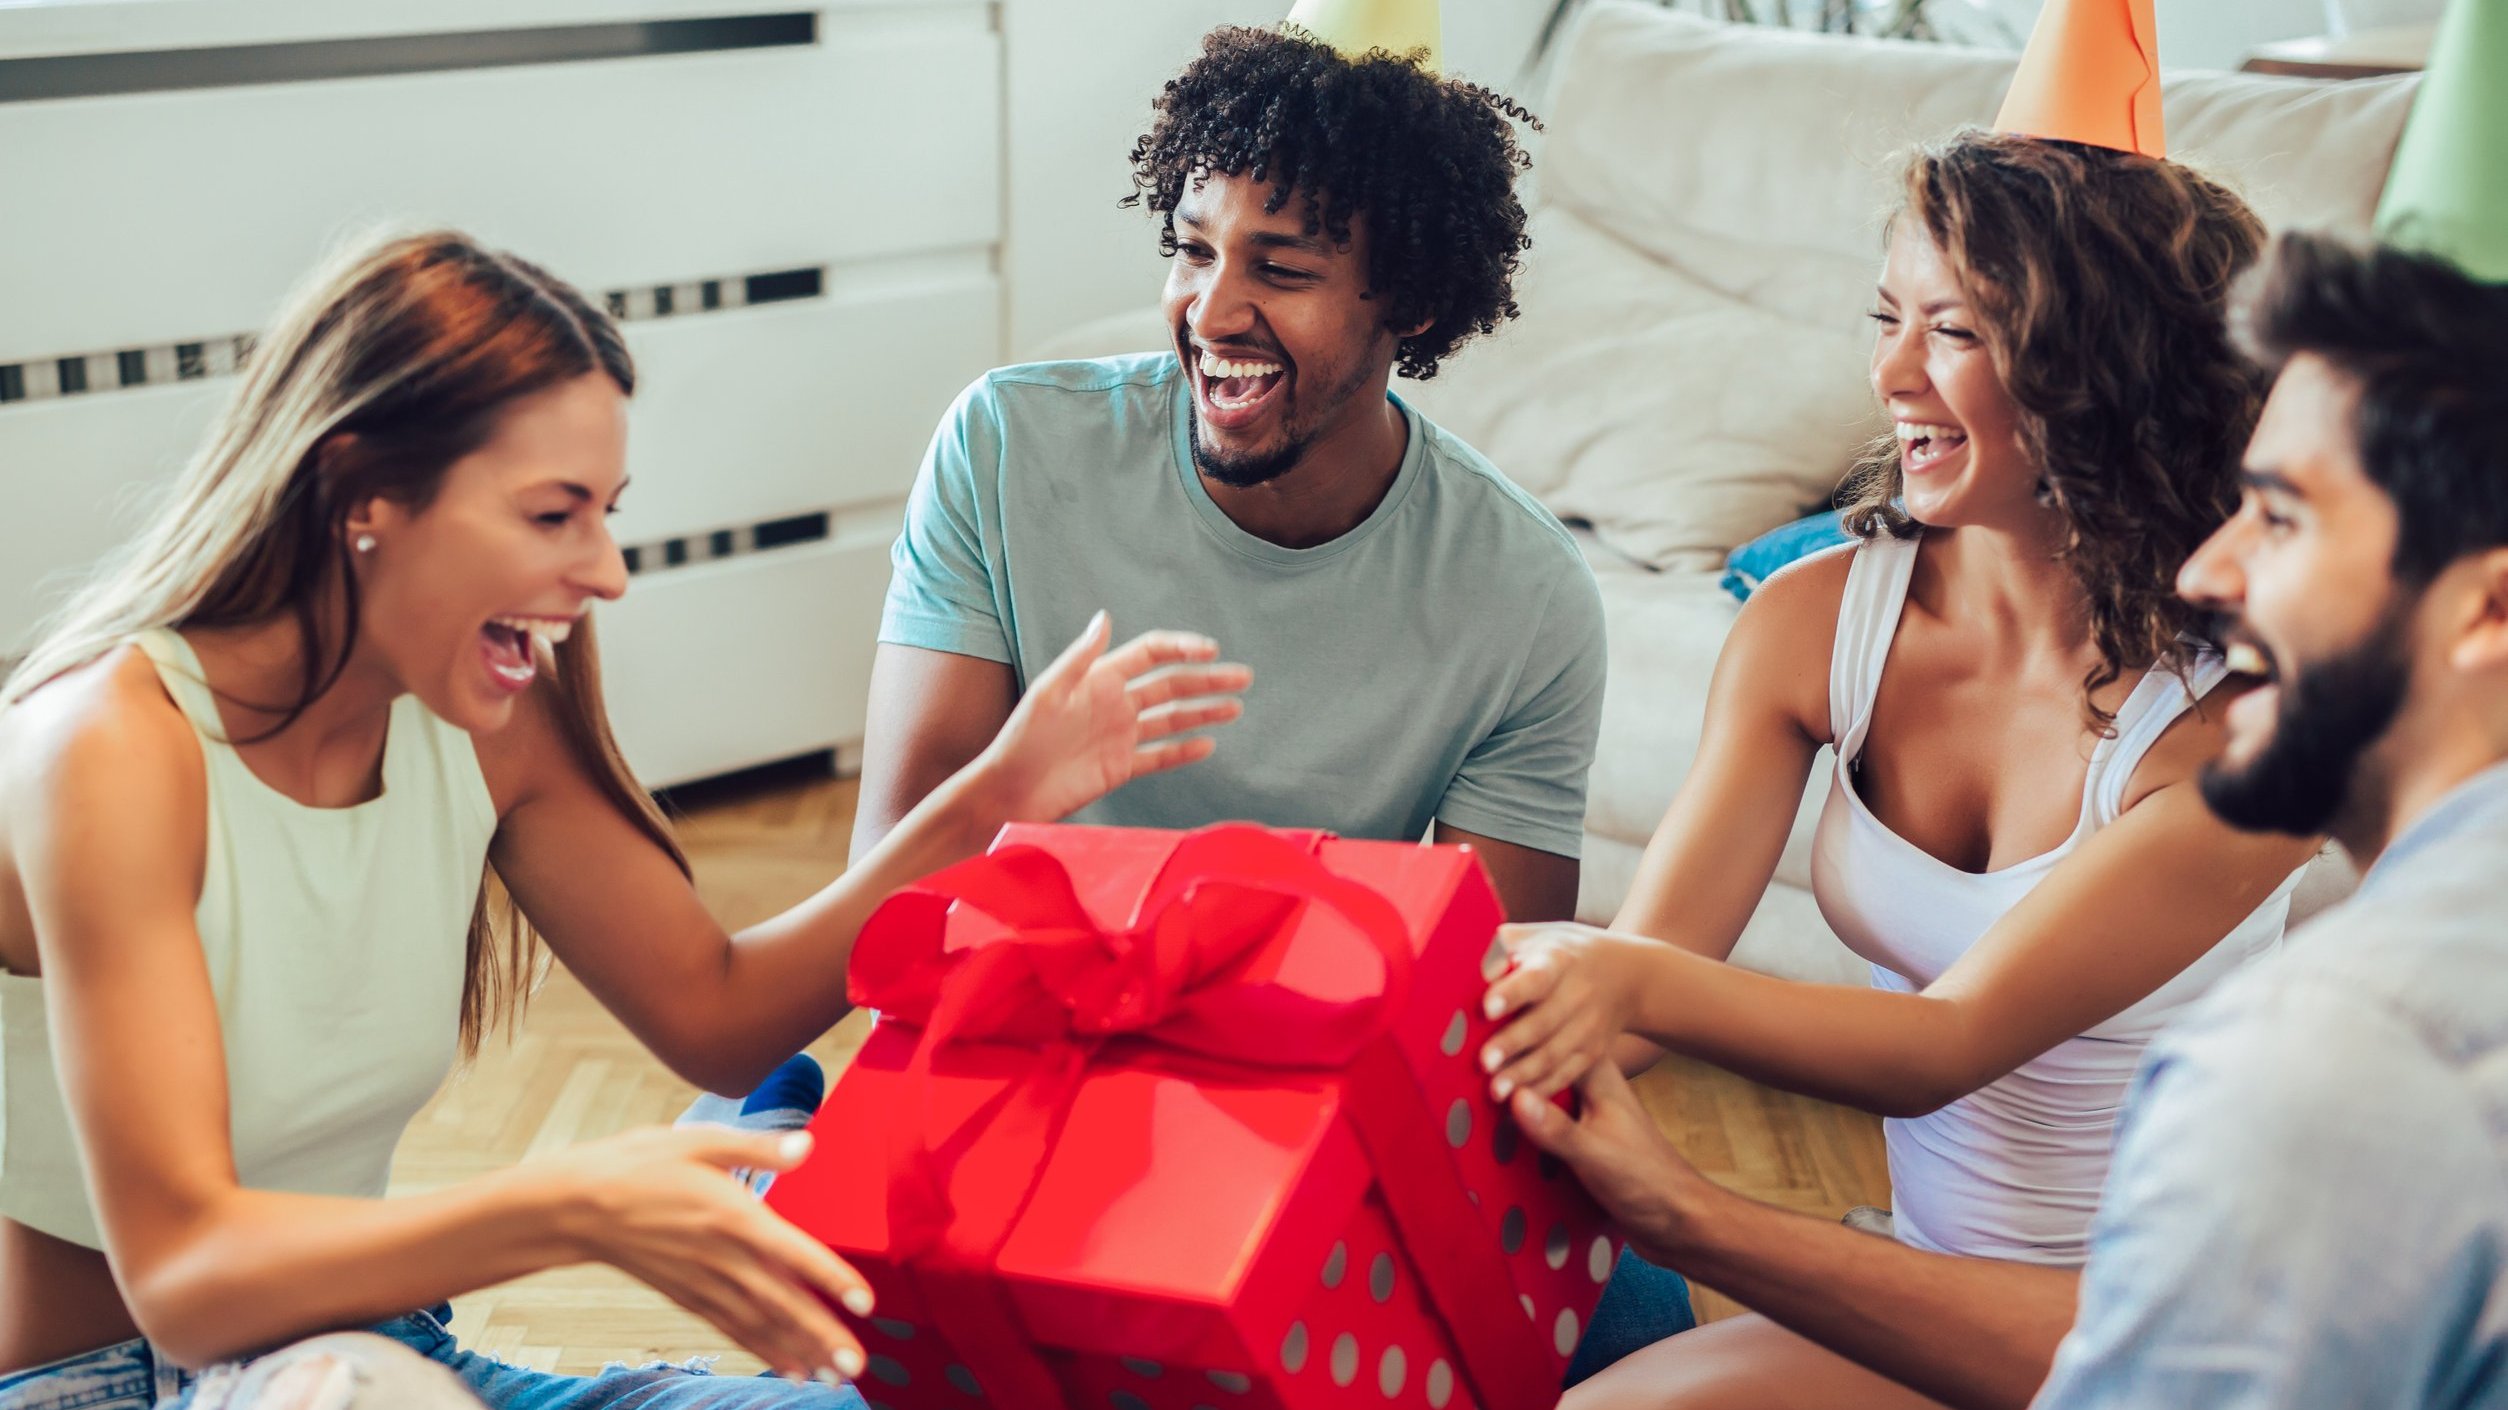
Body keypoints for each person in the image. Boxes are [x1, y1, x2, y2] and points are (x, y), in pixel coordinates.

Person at [0, 230, 1247, 1410]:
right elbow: (182, 1280)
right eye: (555, 514)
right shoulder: (105, 750)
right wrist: (581, 1205)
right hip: (111, 1378)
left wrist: (997, 796)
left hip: (379, 1354)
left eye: (606, 510)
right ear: (360, 492)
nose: (605, 571)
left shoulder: (479, 717)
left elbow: (717, 1011)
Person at [1505, 228, 2508, 1410]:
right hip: (1946, 1282)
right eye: (1889, 318)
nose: (2212, 573)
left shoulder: (2311, 1008)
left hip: (2073, 1315)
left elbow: (1953, 1056)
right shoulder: (1829, 616)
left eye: (2282, 519)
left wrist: (1687, 1199)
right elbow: (1644, 979)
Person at [856, 21, 1600, 921]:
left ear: (1418, 302)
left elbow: (1495, 992)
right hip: (1022, 1013)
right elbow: (899, 882)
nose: (1209, 315)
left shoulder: (1526, 595)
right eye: (1193, 250)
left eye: (1280, 269)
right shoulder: (1005, 446)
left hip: (1311, 1043)